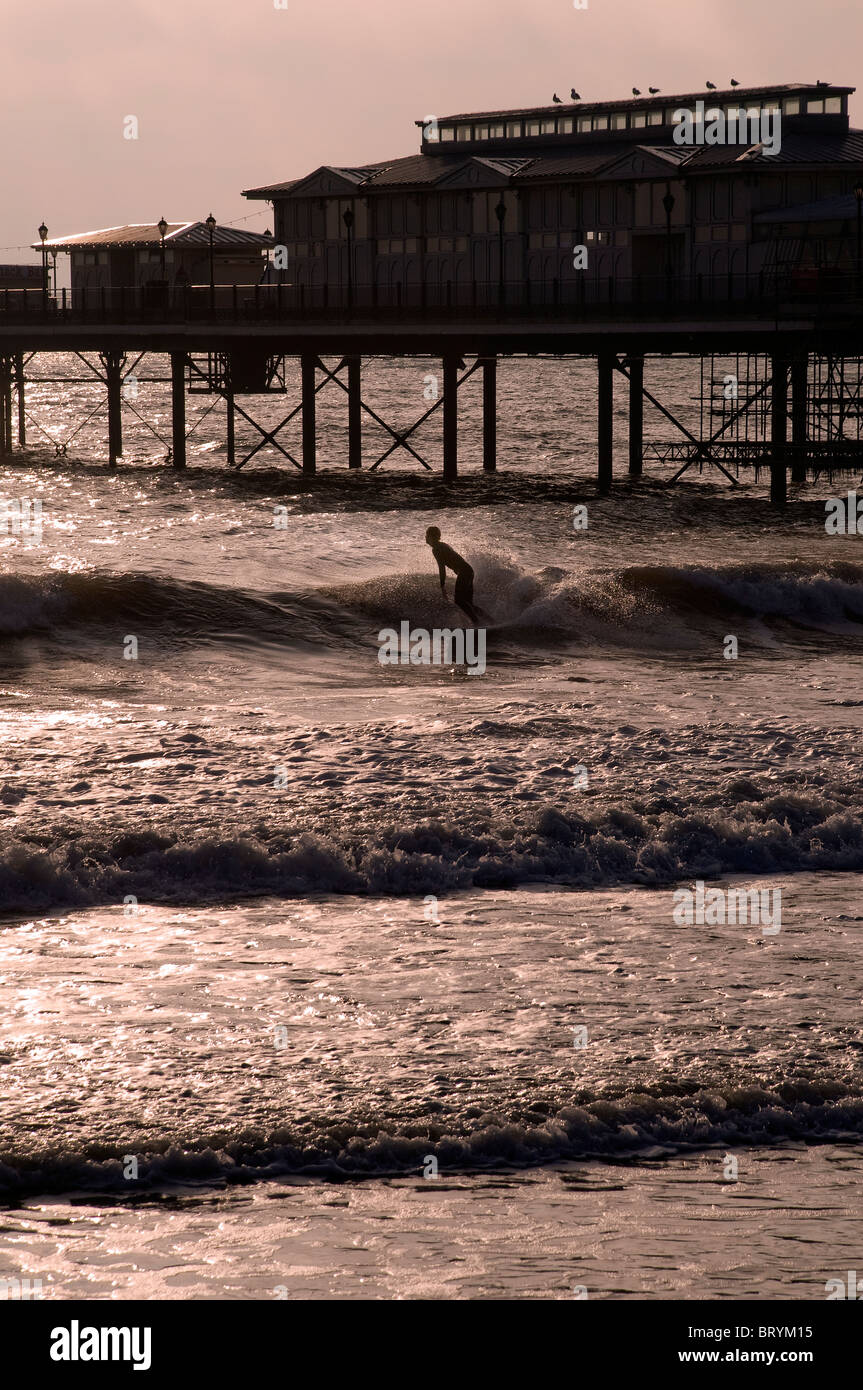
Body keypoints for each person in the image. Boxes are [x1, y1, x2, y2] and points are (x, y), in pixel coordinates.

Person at [425, 526, 481, 621]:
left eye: (427, 535)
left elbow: (442, 568)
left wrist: (442, 586)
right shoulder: (443, 545)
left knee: (459, 601)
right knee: (468, 603)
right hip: (469, 570)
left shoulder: (436, 549)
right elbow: (456, 559)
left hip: (464, 572)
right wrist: (456, 569)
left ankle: (477, 623)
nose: (425, 537)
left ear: (432, 536)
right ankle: (488, 620)